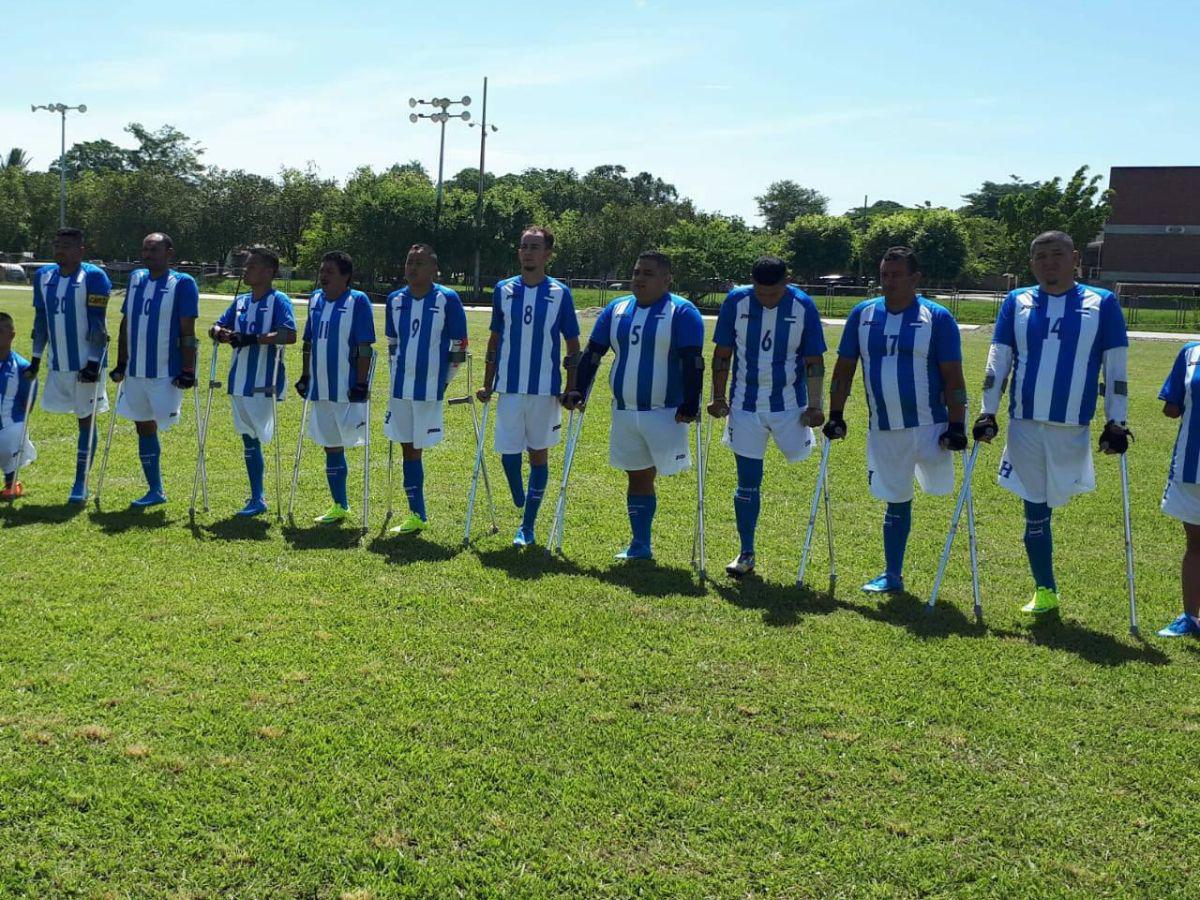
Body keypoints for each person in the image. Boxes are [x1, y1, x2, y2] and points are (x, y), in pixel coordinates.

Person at [974, 230, 1130, 614]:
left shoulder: (1103, 303)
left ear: (1075, 258)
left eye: (1057, 254)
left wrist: (1117, 422)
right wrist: (987, 411)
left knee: (1054, 500)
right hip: (1024, 423)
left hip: (1072, 427)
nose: (1049, 263)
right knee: (1035, 507)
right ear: (1032, 263)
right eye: (1041, 256)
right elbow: (999, 360)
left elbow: (1116, 368)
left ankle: (1046, 586)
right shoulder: (1017, 301)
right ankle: (1045, 588)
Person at [824, 247, 968, 593]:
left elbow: (954, 378)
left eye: (897, 275)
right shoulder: (863, 314)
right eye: (884, 275)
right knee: (895, 499)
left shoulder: (937, 317)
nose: (888, 282)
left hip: (931, 426)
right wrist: (836, 415)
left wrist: (958, 425)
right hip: (885, 427)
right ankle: (893, 574)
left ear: (915, 278)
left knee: (939, 493)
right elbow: (844, 370)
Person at [566, 251, 705, 560]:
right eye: (636, 272)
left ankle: (647, 542)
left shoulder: (682, 312)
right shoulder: (617, 309)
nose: (639, 278)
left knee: (659, 473)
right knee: (637, 475)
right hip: (625, 410)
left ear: (667, 279)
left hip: (666, 412)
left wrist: (691, 401)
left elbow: (693, 361)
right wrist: (577, 390)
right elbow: (593, 353)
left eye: (648, 273)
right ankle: (640, 544)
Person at [707, 256, 826, 578]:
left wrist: (816, 405)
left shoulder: (803, 305)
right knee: (747, 481)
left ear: (786, 282)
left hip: (790, 407)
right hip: (744, 406)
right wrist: (718, 397)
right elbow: (722, 354)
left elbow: (814, 361)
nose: (767, 299)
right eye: (761, 293)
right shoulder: (736, 300)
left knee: (806, 465)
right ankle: (746, 552)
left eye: (773, 293)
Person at [477, 226, 581, 546]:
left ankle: (528, 525)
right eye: (524, 246)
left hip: (544, 391)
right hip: (508, 388)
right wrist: (487, 384)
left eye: (535, 247)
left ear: (548, 254)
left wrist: (572, 387)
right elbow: (495, 339)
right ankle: (519, 495)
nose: (528, 252)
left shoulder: (560, 293)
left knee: (538, 456)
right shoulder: (503, 290)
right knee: (508, 454)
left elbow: (573, 344)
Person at [109, 232, 200, 508]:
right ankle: (155, 489)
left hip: (165, 372)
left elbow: (188, 330)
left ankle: (159, 489)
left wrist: (188, 369)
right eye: (145, 249)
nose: (148, 254)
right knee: (143, 426)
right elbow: (126, 323)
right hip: (136, 371)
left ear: (169, 252)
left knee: (164, 424)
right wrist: (121, 362)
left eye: (154, 249)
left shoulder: (182, 283)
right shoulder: (136, 279)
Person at [382, 243, 468, 534]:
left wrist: (444, 381)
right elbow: (392, 344)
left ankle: (417, 512)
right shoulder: (394, 300)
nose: (412, 268)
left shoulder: (447, 298)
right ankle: (416, 513)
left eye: (419, 263)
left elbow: (460, 346)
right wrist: (394, 376)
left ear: (434, 269)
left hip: (429, 388)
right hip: (400, 389)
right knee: (407, 446)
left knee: (416, 448)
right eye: (409, 262)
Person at [209, 246, 297, 517]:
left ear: (269, 272)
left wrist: (253, 338)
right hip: (238, 380)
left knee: (257, 436)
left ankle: (258, 497)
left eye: (252, 266)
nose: (245, 270)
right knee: (248, 439)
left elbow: (289, 334)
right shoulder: (242, 301)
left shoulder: (279, 300)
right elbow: (216, 325)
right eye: (246, 266)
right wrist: (220, 333)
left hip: (264, 381)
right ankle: (257, 497)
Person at [29, 227, 112, 503]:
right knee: (75, 417)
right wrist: (36, 358)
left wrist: (93, 363)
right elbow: (41, 320)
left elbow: (98, 324)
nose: (59, 250)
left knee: (86, 420)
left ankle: (81, 482)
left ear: (80, 250)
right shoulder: (43, 276)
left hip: (85, 365)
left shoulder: (94, 276)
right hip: (58, 363)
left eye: (66, 245)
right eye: (56, 245)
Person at [294, 251, 376, 524]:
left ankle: (348, 503)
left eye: (330, 271)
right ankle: (339, 504)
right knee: (330, 445)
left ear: (346, 276)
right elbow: (308, 341)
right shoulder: (315, 300)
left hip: (347, 387)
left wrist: (362, 383)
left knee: (351, 441)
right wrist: (305, 375)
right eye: (322, 270)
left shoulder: (357, 301)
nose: (323, 275)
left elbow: (364, 346)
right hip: (320, 387)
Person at [1157, 343, 1200, 637]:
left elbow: (1173, 407)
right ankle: (1190, 617)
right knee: (1195, 544)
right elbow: (1171, 408)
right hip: (1192, 466)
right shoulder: (1190, 352)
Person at [0, 312, 37, 499]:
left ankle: (11, 481)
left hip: (8, 427)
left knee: (14, 431)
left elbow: (27, 406)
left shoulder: (22, 368)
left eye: (0, 331)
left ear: (12, 335)